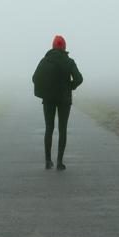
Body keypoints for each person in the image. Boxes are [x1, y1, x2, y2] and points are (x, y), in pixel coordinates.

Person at [32, 35, 83, 170]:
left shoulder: (45, 61)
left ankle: (48, 161)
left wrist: (43, 90)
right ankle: (59, 162)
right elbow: (79, 78)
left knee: (49, 128)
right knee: (62, 129)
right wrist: (70, 86)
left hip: (48, 99)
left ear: (53, 46)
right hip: (64, 100)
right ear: (64, 47)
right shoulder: (69, 62)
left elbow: (35, 78)